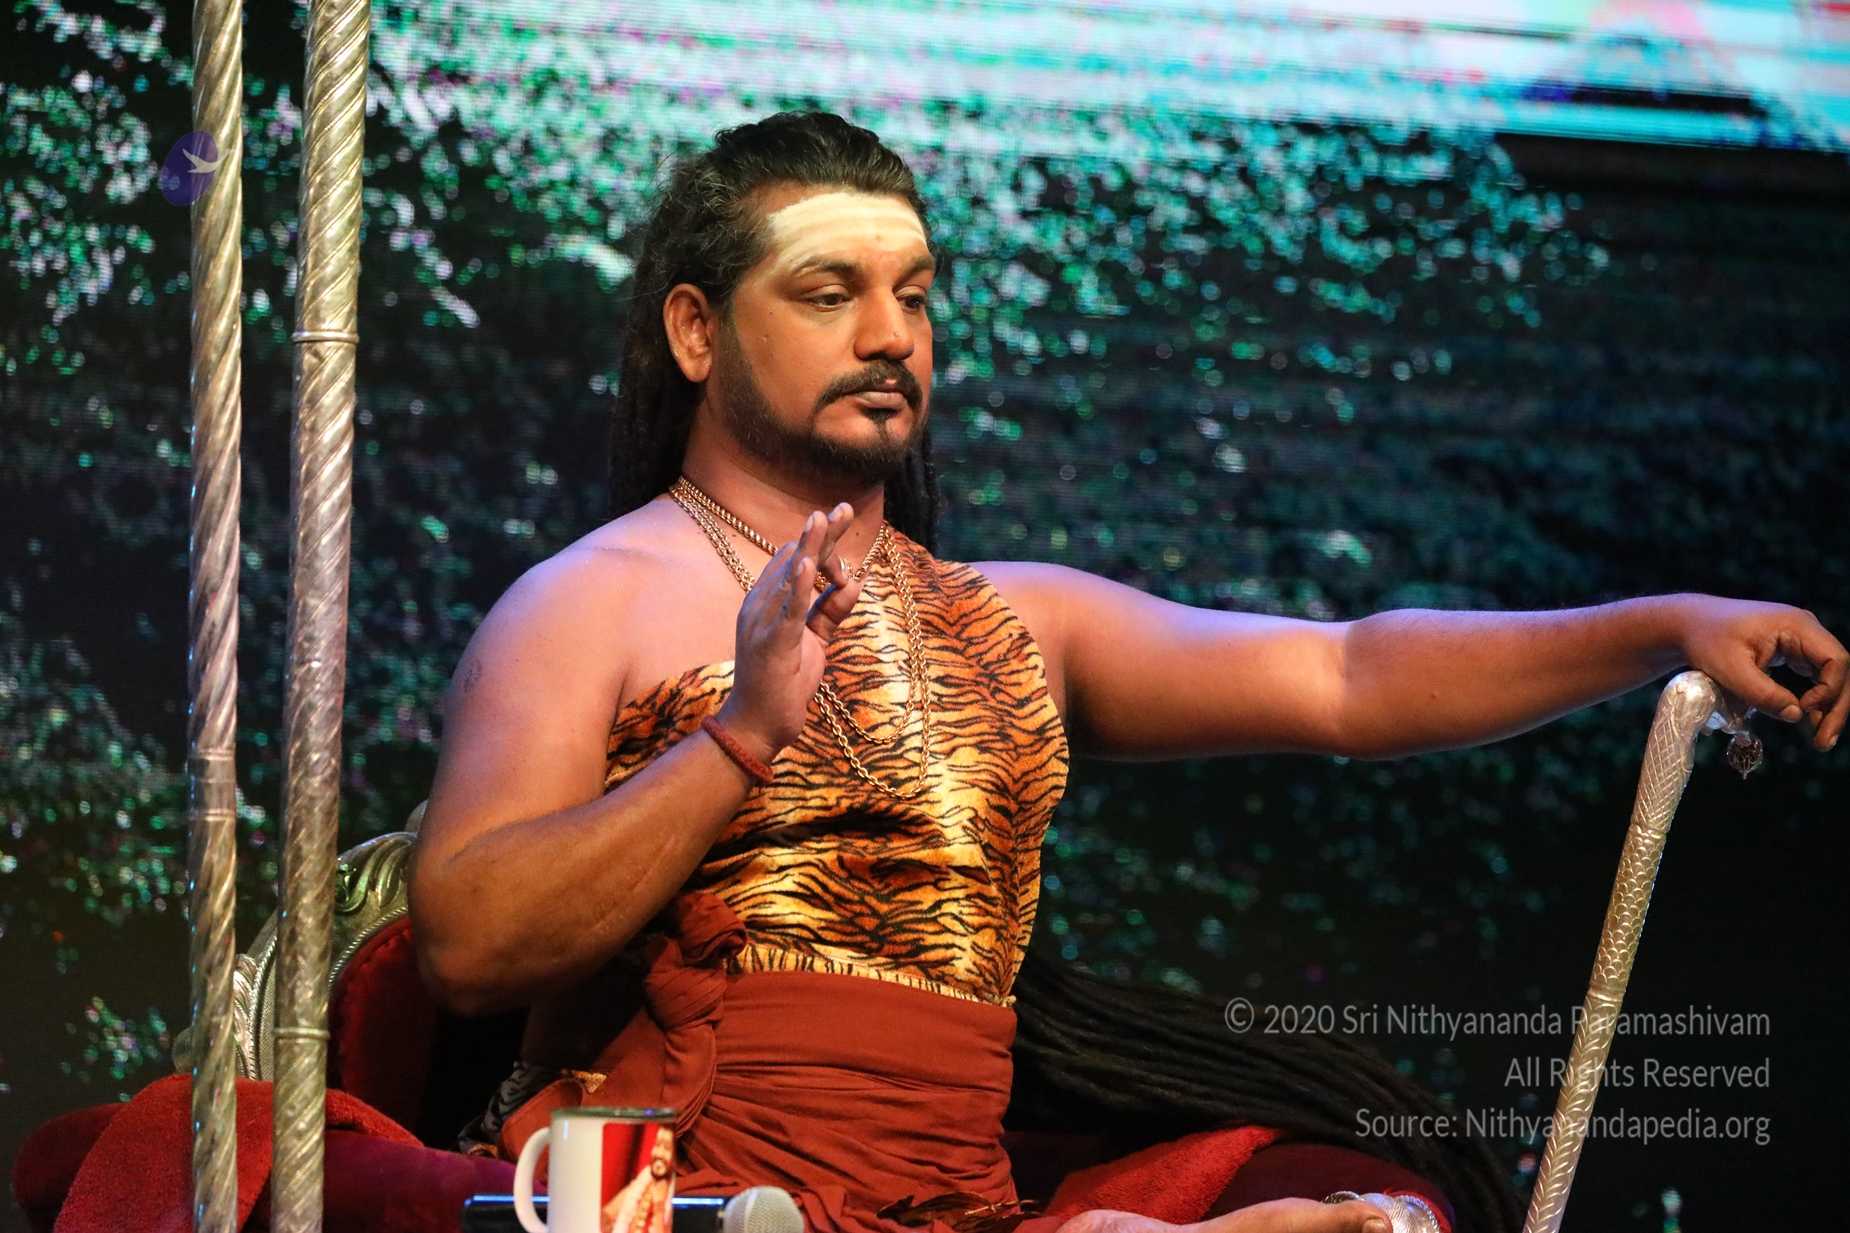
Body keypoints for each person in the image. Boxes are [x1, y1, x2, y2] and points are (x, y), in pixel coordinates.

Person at [404, 111, 1846, 1233]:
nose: (891, 335)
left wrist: (1660, 624)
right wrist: (739, 734)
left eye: (916, 295)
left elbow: (1346, 677)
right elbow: (467, 946)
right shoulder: (589, 602)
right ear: (695, 330)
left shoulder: (1012, 620)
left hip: (948, 1201)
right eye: (829, 292)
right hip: (685, 1189)